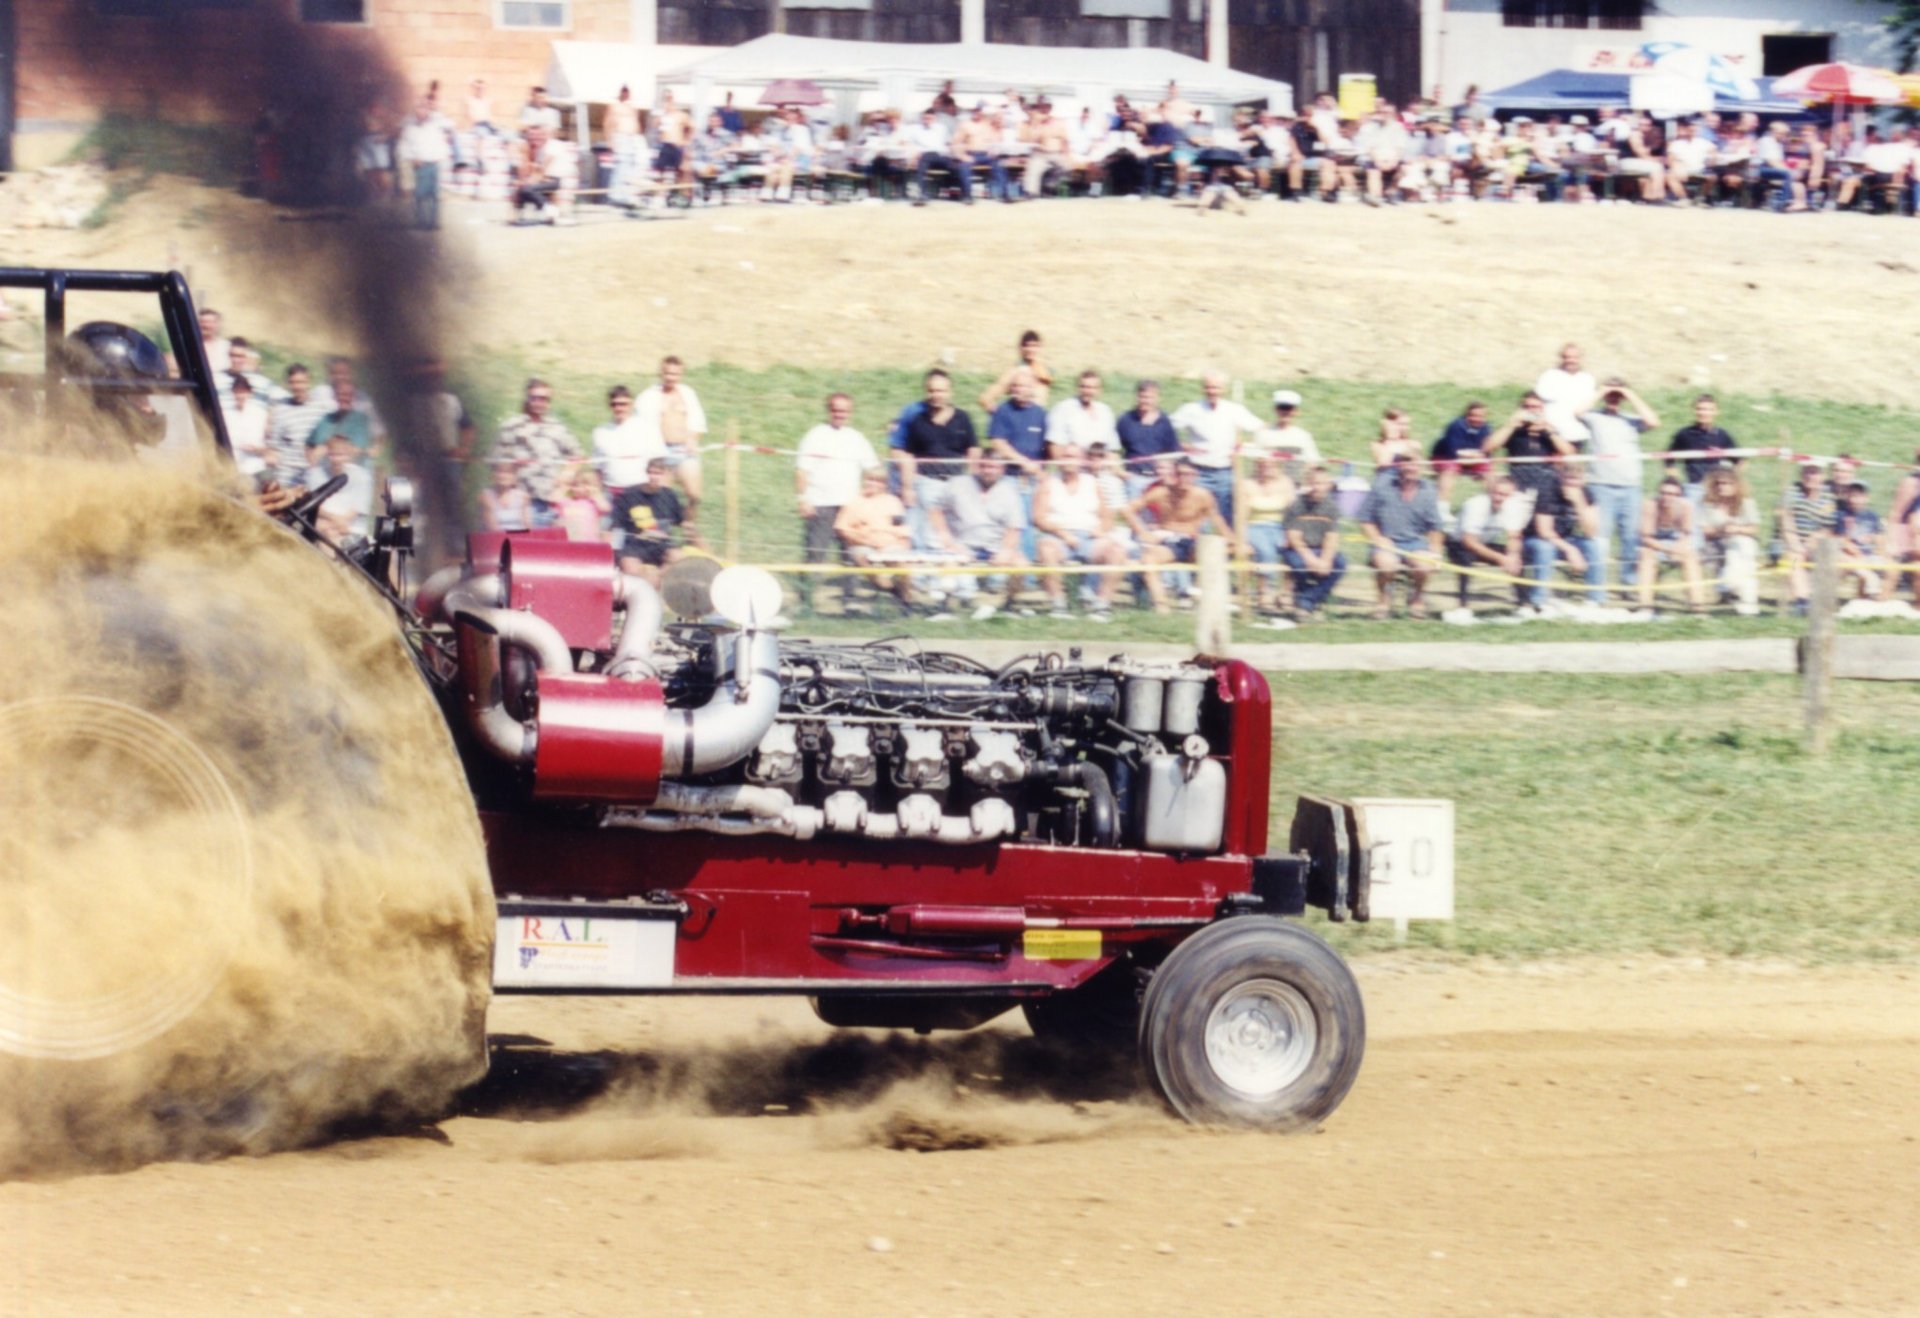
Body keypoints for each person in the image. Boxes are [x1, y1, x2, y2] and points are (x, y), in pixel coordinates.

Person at [795, 392, 880, 612]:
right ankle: (806, 602)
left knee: (851, 556)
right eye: (836, 410)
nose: (840, 414)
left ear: (850, 412)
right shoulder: (815, 435)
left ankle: (850, 600)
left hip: (850, 509)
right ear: (829, 410)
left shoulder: (857, 438)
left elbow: (873, 468)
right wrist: (803, 499)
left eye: (844, 410)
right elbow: (802, 471)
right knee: (815, 555)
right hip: (820, 506)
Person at [1578, 377, 1659, 592]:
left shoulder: (1631, 420)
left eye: (1617, 396)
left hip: (1630, 487)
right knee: (1600, 538)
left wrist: (1629, 394)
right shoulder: (1595, 417)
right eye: (1610, 396)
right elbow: (1577, 412)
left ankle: (1628, 585)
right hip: (1601, 485)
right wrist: (1601, 392)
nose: (1613, 399)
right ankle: (1597, 588)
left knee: (1631, 538)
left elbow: (1653, 422)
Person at [924, 452, 1029, 617]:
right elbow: (935, 510)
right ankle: (943, 609)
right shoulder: (958, 484)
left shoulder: (1010, 492)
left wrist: (1006, 550)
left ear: (1002, 469)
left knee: (1021, 564)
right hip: (961, 544)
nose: (987, 471)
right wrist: (948, 540)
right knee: (948, 561)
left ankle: (1008, 605)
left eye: (993, 467)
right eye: (984, 466)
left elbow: (1014, 527)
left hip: (995, 545)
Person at [1032, 444, 1130, 620]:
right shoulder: (1048, 483)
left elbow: (1107, 517)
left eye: (1074, 457)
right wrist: (1062, 534)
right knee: (1046, 549)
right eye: (1066, 456)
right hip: (1058, 536)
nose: (1069, 461)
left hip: (1089, 536)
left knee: (1117, 550)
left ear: (1082, 461)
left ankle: (1102, 605)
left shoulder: (1092, 483)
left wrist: (1102, 530)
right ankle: (1058, 605)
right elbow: (1039, 518)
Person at [1358, 454, 1445, 619]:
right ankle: (1383, 601)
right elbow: (1365, 519)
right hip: (1387, 542)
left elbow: (1435, 527)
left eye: (1414, 465)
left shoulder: (1429, 490)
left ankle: (1416, 599)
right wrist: (1378, 538)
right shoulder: (1381, 486)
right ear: (1398, 467)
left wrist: (1436, 553)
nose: (1410, 469)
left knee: (1424, 565)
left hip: (1415, 543)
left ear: (1421, 468)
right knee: (1386, 564)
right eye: (1406, 464)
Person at [1171, 370, 1262, 527]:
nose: (1212, 391)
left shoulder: (1234, 410)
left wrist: (1245, 445)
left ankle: (1229, 542)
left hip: (1224, 473)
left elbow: (1260, 428)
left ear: (1224, 389)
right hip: (1198, 473)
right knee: (1197, 518)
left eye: (1216, 388)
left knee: (1228, 517)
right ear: (1203, 388)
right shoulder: (1191, 409)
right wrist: (1179, 444)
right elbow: (1166, 427)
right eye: (1208, 387)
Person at [895, 368, 977, 543]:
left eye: (941, 391)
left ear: (950, 392)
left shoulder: (963, 418)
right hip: (927, 482)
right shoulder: (918, 421)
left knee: (957, 530)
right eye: (932, 391)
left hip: (957, 483)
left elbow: (973, 450)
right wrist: (908, 487)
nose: (936, 395)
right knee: (927, 533)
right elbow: (908, 456)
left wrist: (973, 482)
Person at [1131, 458, 1224, 609]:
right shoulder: (1161, 493)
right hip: (1170, 542)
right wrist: (1143, 533)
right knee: (1149, 559)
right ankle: (1161, 606)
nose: (1183, 478)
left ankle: (1204, 601)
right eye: (1180, 474)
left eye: (1188, 474)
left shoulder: (1202, 495)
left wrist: (1235, 542)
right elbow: (1128, 509)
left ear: (1195, 476)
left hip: (1192, 541)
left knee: (1210, 553)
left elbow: (1217, 520)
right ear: (1174, 475)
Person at [493, 377, 583, 527]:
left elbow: (577, 455)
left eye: (544, 399)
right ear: (527, 398)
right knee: (520, 542)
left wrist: (566, 477)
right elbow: (498, 462)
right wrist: (504, 492)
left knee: (558, 541)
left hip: (551, 503)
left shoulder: (557, 427)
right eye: (534, 398)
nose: (539, 402)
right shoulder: (512, 426)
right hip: (520, 503)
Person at [613, 456, 703, 585]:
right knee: (631, 569)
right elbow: (616, 524)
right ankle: (651, 583)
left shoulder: (669, 495)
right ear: (646, 473)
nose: (654, 477)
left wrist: (693, 503)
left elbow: (684, 522)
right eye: (651, 473)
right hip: (635, 545)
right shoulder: (630, 494)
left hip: (661, 545)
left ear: (666, 475)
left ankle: (656, 580)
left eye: (658, 474)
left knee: (679, 557)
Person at [834, 467, 913, 613]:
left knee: (902, 564)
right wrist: (864, 540)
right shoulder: (855, 501)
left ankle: (906, 600)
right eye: (870, 479)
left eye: (878, 481)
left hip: (889, 543)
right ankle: (890, 589)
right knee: (862, 557)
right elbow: (842, 528)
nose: (873, 484)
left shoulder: (893, 502)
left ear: (884, 484)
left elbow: (901, 529)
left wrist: (902, 544)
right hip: (864, 543)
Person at [1447, 474, 1532, 611]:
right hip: (1458, 544)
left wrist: (1512, 556)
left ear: (1511, 495)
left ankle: (1524, 604)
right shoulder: (1475, 505)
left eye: (1504, 495)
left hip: (1484, 543)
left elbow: (1514, 537)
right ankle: (1462, 607)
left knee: (1518, 557)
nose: (1499, 498)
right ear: (1490, 491)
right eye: (1496, 493)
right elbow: (1468, 540)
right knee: (1465, 558)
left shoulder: (1513, 506)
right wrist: (1501, 558)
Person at [1525, 465, 1604, 610]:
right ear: (1560, 477)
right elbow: (1544, 531)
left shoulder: (1586, 494)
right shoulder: (1548, 491)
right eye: (1569, 479)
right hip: (1536, 540)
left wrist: (1579, 503)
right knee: (1545, 548)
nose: (1572, 483)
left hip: (1565, 539)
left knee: (1593, 545)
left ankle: (1595, 600)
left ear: (1583, 479)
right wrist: (1571, 550)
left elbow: (1591, 532)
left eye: (1577, 479)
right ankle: (1539, 602)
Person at [634, 356, 707, 508]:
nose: (671, 378)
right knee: (661, 498)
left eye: (675, 374)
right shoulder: (648, 397)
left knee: (694, 495)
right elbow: (638, 425)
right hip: (660, 453)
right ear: (661, 373)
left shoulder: (688, 394)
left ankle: (689, 521)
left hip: (684, 451)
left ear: (681, 375)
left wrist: (693, 439)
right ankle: (666, 523)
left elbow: (698, 422)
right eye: (667, 373)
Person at [1485, 390, 1573, 503]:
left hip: (1546, 482)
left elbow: (1569, 453)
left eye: (1535, 407)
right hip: (1518, 482)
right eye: (1526, 407)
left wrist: (1548, 429)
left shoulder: (1550, 430)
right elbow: (1488, 447)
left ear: (1542, 410)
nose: (1531, 410)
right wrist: (1510, 425)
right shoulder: (1514, 430)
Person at [1282, 465, 1345, 617]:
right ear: (1308, 484)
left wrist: (1325, 559)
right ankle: (1307, 602)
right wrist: (1311, 559)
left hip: (1320, 548)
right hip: (1297, 549)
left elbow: (1331, 537)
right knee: (1300, 566)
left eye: (1322, 483)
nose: (1318, 487)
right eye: (1315, 483)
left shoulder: (1332, 508)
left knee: (1340, 564)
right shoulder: (1296, 505)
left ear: (1329, 485)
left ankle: (1306, 602)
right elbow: (1294, 538)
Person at [1239, 451, 1297, 613]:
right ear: (1256, 465)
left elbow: (1293, 513)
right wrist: (1242, 541)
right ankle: (1265, 592)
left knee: (1293, 550)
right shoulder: (1247, 484)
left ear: (1278, 464)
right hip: (1255, 526)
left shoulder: (1286, 483)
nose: (1266, 468)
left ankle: (1286, 592)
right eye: (1262, 465)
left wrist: (1292, 535)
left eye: (1270, 465)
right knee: (1266, 552)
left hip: (1280, 526)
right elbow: (1241, 517)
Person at [1698, 467, 1761, 616]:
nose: (1722, 487)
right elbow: (1704, 530)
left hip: (1742, 541)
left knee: (1742, 549)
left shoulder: (1746, 503)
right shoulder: (1708, 505)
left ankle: (1742, 597)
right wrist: (1721, 530)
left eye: (1726, 483)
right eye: (1718, 483)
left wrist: (1737, 529)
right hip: (1716, 542)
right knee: (1740, 563)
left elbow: (1754, 528)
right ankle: (1744, 600)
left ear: (1735, 485)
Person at [1636, 478, 1705, 612]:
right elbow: (1646, 538)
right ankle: (1645, 606)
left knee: (1691, 557)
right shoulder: (1650, 506)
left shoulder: (1686, 506)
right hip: (1655, 543)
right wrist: (1668, 550)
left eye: (1672, 494)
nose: (1667, 497)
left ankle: (1697, 606)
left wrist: (1677, 549)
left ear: (1680, 496)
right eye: (1663, 493)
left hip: (1678, 541)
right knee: (1646, 557)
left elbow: (1687, 535)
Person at [1778, 463, 1836, 614]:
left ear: (1823, 476)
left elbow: (1828, 526)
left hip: (1815, 543)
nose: (1810, 477)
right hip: (1792, 542)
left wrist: (1816, 537)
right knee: (1794, 560)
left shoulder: (1828, 497)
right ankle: (1802, 601)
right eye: (1807, 472)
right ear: (1801, 475)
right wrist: (1795, 543)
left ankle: (1820, 600)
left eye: (1815, 473)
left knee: (1826, 555)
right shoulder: (1792, 492)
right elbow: (1786, 520)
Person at [304, 433, 375, 545]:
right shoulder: (315, 474)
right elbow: (314, 506)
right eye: (333, 455)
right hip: (324, 525)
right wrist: (335, 521)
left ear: (349, 455)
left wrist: (341, 523)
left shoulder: (362, 476)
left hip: (352, 527)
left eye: (341, 455)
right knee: (327, 533)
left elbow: (359, 508)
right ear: (327, 454)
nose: (336, 459)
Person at [1666, 394, 1738, 504]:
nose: (1704, 413)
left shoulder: (1722, 435)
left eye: (1708, 409)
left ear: (1716, 412)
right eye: (1700, 409)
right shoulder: (1684, 434)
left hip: (1716, 489)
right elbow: (1668, 460)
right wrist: (1676, 481)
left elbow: (1740, 461)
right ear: (1694, 411)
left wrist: (1728, 482)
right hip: (1693, 489)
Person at [593, 385, 662, 498]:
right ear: (609, 406)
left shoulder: (647, 428)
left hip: (640, 491)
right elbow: (598, 469)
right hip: (611, 492)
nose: (619, 408)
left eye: (623, 404)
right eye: (614, 404)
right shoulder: (600, 432)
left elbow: (660, 462)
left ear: (631, 404)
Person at [267, 363, 330, 486]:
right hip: (288, 473)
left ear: (309, 382)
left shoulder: (321, 409)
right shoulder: (281, 410)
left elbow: (328, 442)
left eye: (301, 382)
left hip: (314, 471)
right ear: (288, 384)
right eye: (293, 382)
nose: (298, 387)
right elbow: (275, 446)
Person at [1115, 379, 1180, 496]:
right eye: (1142, 397)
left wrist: (1167, 475)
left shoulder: (1165, 421)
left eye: (1150, 397)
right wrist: (1120, 472)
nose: (1146, 401)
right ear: (1137, 397)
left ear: (1157, 398)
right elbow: (1113, 448)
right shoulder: (1126, 420)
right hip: (1134, 479)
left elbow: (1174, 452)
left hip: (1158, 480)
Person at [396, 98, 452, 230]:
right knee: (420, 195)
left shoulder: (434, 127)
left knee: (435, 195)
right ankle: (420, 221)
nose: (421, 111)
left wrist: (439, 158)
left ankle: (433, 221)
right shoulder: (410, 129)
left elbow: (442, 144)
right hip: (420, 166)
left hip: (433, 165)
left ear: (429, 111)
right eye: (419, 108)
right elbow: (403, 146)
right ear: (415, 111)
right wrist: (412, 159)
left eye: (425, 108)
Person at [1835, 481, 1895, 601]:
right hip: (1851, 556)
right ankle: (1862, 599)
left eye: (1859, 496)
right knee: (1860, 570)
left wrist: (1882, 551)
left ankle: (1881, 600)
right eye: (1852, 496)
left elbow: (1879, 537)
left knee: (1893, 568)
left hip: (1868, 554)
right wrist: (1855, 552)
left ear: (1867, 498)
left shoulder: (1872, 516)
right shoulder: (1842, 515)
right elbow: (1841, 538)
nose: (1855, 500)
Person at [1429, 400, 1492, 505]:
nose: (1476, 419)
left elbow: (1487, 452)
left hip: (1472, 460)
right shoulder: (1456, 426)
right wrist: (1475, 455)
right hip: (1445, 457)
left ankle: (1492, 504)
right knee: (1449, 470)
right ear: (1466, 416)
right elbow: (1452, 452)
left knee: (1488, 473)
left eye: (1480, 416)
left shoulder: (1485, 428)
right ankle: (1442, 507)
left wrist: (1474, 457)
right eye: (1473, 416)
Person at [1534, 342, 1594, 444]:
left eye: (1574, 357)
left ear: (1580, 358)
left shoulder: (1587, 379)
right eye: (1566, 357)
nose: (1570, 360)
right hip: (1551, 433)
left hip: (1577, 433)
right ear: (1561, 358)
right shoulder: (1549, 376)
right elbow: (1537, 402)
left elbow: (1589, 405)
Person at [1045, 370, 1117, 454]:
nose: (1087, 391)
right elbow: (1055, 449)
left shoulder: (1106, 412)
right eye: (1084, 387)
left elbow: (1113, 450)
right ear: (1077, 388)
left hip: (1102, 462)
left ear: (1100, 390)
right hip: (1072, 461)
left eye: (1093, 388)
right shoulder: (1063, 409)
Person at [978, 330, 1053, 410]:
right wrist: (1001, 415)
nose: (1030, 349)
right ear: (1020, 348)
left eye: (1034, 346)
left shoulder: (1045, 373)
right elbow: (985, 398)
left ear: (1040, 348)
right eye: (1026, 346)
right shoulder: (1014, 373)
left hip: (1037, 417)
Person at [221, 372, 271, 479]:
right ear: (233, 393)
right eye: (237, 392)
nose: (240, 396)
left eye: (243, 392)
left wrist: (256, 449)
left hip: (255, 467)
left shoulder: (260, 413)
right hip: (234, 468)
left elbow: (268, 444)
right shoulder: (226, 414)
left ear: (250, 393)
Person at [1256, 390, 1320, 469]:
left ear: (1296, 412)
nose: (1285, 412)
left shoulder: (1303, 435)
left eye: (1289, 408)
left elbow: (1312, 463)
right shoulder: (1263, 433)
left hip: (1295, 476)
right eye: (1282, 408)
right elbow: (1257, 462)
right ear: (1275, 410)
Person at [557, 464, 611, 545]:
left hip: (589, 543)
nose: (579, 489)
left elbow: (606, 508)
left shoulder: (592, 502)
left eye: (584, 485)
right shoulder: (566, 502)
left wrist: (595, 492)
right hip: (569, 543)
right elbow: (554, 499)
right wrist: (565, 483)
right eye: (575, 485)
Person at [478, 459, 531, 533]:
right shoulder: (486, 496)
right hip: (495, 538)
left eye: (508, 472)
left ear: (515, 475)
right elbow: (492, 529)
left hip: (519, 538)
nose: (503, 476)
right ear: (493, 474)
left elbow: (528, 527)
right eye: (499, 471)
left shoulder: (523, 496)